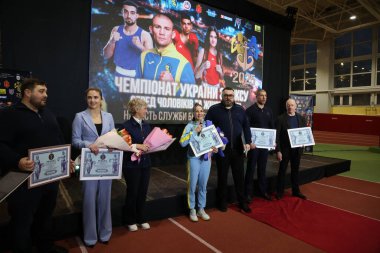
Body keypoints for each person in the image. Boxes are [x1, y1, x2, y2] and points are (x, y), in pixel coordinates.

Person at [0, 78, 73, 253]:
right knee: (22, 220)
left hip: (49, 178)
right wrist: (17, 160)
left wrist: (67, 159)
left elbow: (58, 140)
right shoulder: (10, 114)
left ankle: (45, 246)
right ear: (27, 92)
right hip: (22, 180)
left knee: (45, 216)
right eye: (41, 91)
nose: (45, 95)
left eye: (46, 92)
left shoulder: (48, 113)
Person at [72, 87, 115, 247]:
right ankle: (90, 237)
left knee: (105, 199)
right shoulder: (79, 117)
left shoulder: (109, 116)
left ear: (101, 99)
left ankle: (105, 234)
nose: (93, 100)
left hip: (107, 163)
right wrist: (88, 144)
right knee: (89, 200)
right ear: (86, 99)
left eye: (96, 97)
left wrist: (113, 144)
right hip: (89, 163)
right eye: (90, 97)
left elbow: (112, 136)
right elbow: (75, 140)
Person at [205, 87, 252, 213]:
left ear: (234, 96)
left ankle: (242, 202)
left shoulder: (240, 110)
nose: (228, 98)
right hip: (222, 151)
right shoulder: (214, 110)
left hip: (237, 150)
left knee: (239, 178)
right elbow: (207, 128)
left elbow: (246, 126)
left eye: (230, 95)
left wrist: (248, 142)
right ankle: (222, 203)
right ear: (222, 95)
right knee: (222, 178)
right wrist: (213, 144)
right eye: (226, 95)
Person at [179, 103, 217, 222]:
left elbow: (214, 142)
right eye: (197, 111)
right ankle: (192, 209)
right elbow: (182, 143)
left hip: (206, 159)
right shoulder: (190, 126)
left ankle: (201, 208)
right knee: (192, 185)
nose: (199, 113)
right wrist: (194, 132)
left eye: (201, 111)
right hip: (193, 159)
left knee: (203, 186)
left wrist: (215, 148)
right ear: (193, 113)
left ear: (204, 112)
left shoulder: (209, 125)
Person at [135, 13, 195, 84]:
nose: (162, 32)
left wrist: (172, 86)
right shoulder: (144, 56)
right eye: (157, 27)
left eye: (167, 29)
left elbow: (192, 94)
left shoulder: (184, 64)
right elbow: (135, 88)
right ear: (151, 29)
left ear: (173, 34)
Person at [121, 98, 152, 231]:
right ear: (137, 109)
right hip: (131, 165)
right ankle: (130, 219)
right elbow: (122, 144)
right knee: (132, 192)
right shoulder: (125, 126)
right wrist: (137, 146)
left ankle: (141, 218)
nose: (146, 110)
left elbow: (149, 143)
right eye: (144, 108)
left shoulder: (147, 125)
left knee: (143, 192)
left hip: (146, 164)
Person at [103, 1, 153, 77]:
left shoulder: (145, 35)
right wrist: (112, 42)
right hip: (117, 75)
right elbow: (106, 56)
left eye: (132, 13)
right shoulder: (116, 30)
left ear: (136, 15)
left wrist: (140, 46)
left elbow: (152, 61)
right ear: (122, 13)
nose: (129, 15)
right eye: (126, 12)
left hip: (137, 76)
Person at [244, 89, 275, 203]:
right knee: (250, 169)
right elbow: (246, 128)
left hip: (265, 146)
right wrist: (249, 142)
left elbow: (272, 127)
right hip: (254, 146)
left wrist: (273, 141)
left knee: (262, 169)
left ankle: (263, 191)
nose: (264, 98)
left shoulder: (269, 111)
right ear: (256, 97)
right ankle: (248, 193)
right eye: (261, 95)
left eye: (265, 96)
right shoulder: (250, 110)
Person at [275, 98, 307, 200]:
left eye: (292, 105)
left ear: (295, 107)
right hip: (285, 149)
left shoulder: (301, 118)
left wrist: (304, 142)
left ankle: (296, 191)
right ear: (286, 107)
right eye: (288, 105)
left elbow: (304, 133)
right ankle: (279, 192)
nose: (290, 107)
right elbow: (277, 136)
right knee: (282, 170)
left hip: (297, 150)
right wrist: (278, 151)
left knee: (295, 170)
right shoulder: (280, 118)